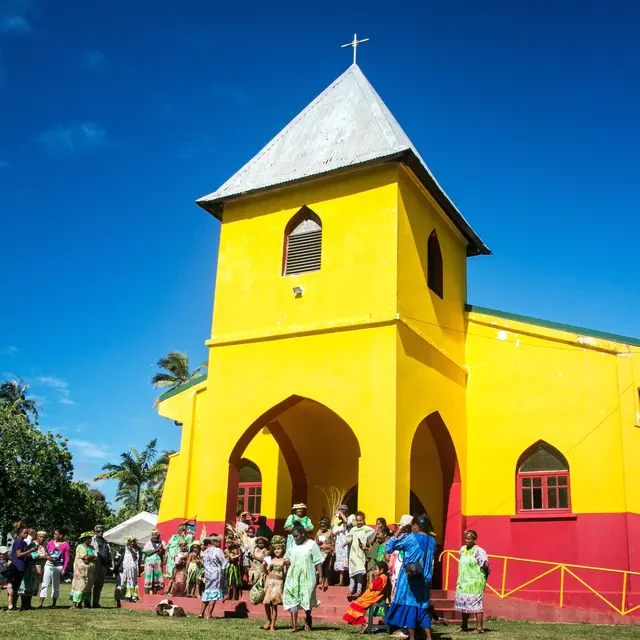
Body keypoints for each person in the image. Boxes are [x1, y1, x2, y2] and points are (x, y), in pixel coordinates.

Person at [384, 515, 437, 640]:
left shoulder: (411, 538)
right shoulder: (432, 540)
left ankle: (412, 637)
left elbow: (389, 547)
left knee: (411, 606)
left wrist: (398, 531)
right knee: (423, 606)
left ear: (415, 526)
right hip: (425, 578)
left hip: (411, 577)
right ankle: (428, 636)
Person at [283, 525, 323, 631]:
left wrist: (321, 577)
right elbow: (287, 556)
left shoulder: (312, 544)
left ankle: (307, 619)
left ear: (303, 534)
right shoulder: (293, 544)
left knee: (307, 597)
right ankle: (294, 626)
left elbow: (318, 561)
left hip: (308, 575)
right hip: (293, 575)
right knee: (293, 597)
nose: (295, 538)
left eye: (296, 536)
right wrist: (286, 562)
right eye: (293, 536)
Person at [454, 530, 490, 634]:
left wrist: (484, 574)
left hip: (474, 582)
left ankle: (479, 627)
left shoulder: (478, 551)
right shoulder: (462, 549)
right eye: (465, 538)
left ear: (474, 539)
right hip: (463, 581)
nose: (466, 541)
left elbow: (485, 563)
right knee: (464, 604)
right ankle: (464, 626)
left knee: (476, 605)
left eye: (469, 539)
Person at [343, 561, 390, 632]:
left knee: (354, 606)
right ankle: (364, 623)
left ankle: (364, 624)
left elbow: (371, 586)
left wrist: (371, 576)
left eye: (376, 569)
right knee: (355, 606)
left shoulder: (381, 578)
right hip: (370, 597)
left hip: (370, 598)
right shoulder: (384, 577)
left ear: (381, 570)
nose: (375, 571)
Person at [345, 511, 375, 600]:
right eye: (357, 521)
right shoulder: (353, 529)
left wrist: (366, 541)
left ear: (363, 520)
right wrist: (345, 543)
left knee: (359, 572)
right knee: (352, 573)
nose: (359, 522)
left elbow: (372, 532)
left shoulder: (365, 529)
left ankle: (358, 590)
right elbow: (349, 538)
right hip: (353, 554)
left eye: (361, 520)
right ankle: (351, 590)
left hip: (360, 554)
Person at [39, 528, 70, 608]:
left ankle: (54, 603)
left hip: (58, 566)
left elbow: (67, 559)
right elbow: (47, 552)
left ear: (61, 535)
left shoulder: (66, 544)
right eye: (54, 534)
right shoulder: (51, 542)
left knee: (55, 585)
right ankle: (41, 603)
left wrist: (64, 569)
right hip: (48, 565)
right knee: (44, 584)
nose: (54, 535)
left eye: (56, 534)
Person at [200, 536, 229, 619]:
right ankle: (209, 614)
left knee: (207, 591)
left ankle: (201, 613)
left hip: (207, 573)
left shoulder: (206, 551)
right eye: (218, 542)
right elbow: (224, 563)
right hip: (216, 573)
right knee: (213, 592)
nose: (219, 543)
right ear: (215, 542)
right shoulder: (218, 550)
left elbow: (204, 563)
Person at [263, 535, 287, 632]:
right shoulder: (271, 560)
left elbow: (285, 573)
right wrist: (265, 566)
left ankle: (273, 624)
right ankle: (268, 619)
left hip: (278, 584)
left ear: (282, 549)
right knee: (266, 603)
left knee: (274, 604)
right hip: (269, 583)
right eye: (275, 549)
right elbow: (266, 571)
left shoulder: (283, 561)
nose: (277, 551)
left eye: (279, 549)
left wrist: (286, 565)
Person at [70, 531, 98, 609]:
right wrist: (92, 556)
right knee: (79, 586)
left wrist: (90, 557)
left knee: (87, 586)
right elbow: (85, 558)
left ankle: (80, 604)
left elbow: (96, 558)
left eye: (90, 538)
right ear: (84, 539)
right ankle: (74, 604)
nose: (89, 540)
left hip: (90, 571)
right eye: (88, 538)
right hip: (81, 571)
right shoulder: (80, 547)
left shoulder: (92, 547)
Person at [114, 537, 141, 604]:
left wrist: (132, 551)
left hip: (133, 569)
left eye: (133, 541)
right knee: (121, 583)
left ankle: (131, 597)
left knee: (132, 583)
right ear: (127, 542)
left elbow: (136, 559)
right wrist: (117, 567)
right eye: (130, 541)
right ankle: (119, 599)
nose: (132, 543)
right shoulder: (123, 549)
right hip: (123, 569)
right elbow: (116, 559)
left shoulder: (137, 550)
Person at [9, 525, 30, 611]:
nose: (26, 535)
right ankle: (12, 605)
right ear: (19, 533)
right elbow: (18, 554)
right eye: (25, 533)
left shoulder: (23, 542)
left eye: (27, 534)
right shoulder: (18, 541)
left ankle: (14, 604)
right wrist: (30, 551)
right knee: (15, 587)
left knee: (17, 587)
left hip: (21, 566)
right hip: (17, 566)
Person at [331, 505, 353, 586]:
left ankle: (351, 581)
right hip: (339, 546)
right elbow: (332, 535)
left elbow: (347, 522)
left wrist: (340, 513)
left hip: (347, 545)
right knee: (341, 564)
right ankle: (341, 581)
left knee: (348, 562)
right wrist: (333, 547)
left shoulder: (350, 519)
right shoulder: (337, 525)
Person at [91, 525, 112, 608]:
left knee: (99, 585)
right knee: (90, 584)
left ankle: (96, 602)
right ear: (95, 532)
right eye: (98, 531)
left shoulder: (105, 542)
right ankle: (87, 602)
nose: (100, 533)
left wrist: (110, 564)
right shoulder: (92, 540)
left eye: (102, 531)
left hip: (103, 566)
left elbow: (109, 553)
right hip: (94, 565)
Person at [142, 529, 166, 595]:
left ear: (158, 535)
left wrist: (161, 551)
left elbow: (164, 552)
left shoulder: (162, 543)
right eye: (153, 535)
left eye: (156, 534)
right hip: (149, 563)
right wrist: (157, 549)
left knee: (156, 580)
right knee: (148, 579)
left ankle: (154, 596)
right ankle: (146, 596)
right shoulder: (148, 543)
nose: (154, 536)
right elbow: (148, 554)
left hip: (157, 563)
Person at [315, 517, 333, 592]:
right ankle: (320, 580)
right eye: (321, 526)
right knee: (320, 567)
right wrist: (318, 543)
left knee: (326, 567)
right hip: (320, 552)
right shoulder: (318, 532)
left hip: (327, 552)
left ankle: (326, 581)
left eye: (324, 526)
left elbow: (332, 542)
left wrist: (330, 547)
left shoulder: (330, 532)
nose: (323, 527)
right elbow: (315, 541)